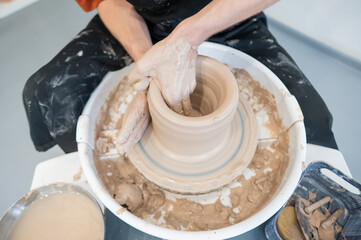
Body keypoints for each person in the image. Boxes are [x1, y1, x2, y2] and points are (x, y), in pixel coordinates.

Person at [22, 0, 338, 153]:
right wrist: (149, 64)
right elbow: (111, 1)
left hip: (226, 17)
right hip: (143, 23)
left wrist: (189, 34)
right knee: (47, 94)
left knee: (310, 124)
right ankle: (99, 187)